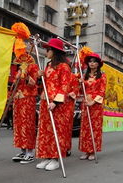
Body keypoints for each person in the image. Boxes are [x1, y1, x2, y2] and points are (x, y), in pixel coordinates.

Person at [35, 38, 72, 171]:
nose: (46, 52)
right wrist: (40, 76)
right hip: (46, 101)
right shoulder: (49, 65)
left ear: (55, 51)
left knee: (57, 130)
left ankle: (56, 158)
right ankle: (46, 156)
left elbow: (65, 86)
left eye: (48, 50)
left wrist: (56, 102)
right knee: (45, 131)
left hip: (58, 104)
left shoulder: (64, 66)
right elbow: (44, 84)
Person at [11, 53, 39, 164]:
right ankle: (22, 150)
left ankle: (30, 152)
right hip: (18, 99)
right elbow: (14, 84)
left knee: (27, 124)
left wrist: (26, 74)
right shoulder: (18, 69)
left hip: (28, 99)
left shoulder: (33, 67)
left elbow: (33, 83)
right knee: (18, 125)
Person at [79, 53, 107, 161]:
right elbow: (81, 91)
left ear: (98, 64)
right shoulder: (85, 76)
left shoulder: (102, 76)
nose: (92, 63)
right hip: (85, 104)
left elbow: (102, 91)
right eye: (90, 61)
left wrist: (93, 102)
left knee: (94, 128)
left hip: (96, 106)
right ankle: (86, 151)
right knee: (85, 128)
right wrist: (80, 83)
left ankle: (93, 151)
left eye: (94, 61)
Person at [65, 73, 80, 157]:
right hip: (55, 104)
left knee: (66, 128)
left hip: (67, 105)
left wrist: (66, 94)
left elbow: (75, 90)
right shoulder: (54, 73)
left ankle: (67, 148)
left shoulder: (72, 76)